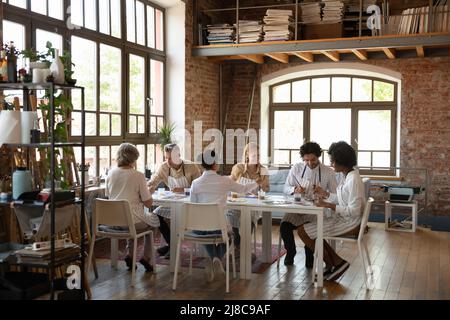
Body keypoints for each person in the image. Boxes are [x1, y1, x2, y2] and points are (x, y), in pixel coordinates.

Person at [298, 141, 365, 281]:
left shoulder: (353, 180)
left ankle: (336, 263)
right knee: (308, 231)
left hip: (350, 223)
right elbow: (342, 199)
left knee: (304, 232)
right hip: (344, 219)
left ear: (342, 161)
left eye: (333, 161)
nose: (331, 164)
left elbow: (354, 211)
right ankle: (334, 264)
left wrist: (329, 206)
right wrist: (326, 194)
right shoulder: (347, 175)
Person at [190, 149, 258, 281]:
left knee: (205, 231)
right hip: (219, 226)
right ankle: (217, 258)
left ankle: (212, 259)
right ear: (215, 164)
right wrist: (257, 182)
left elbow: (194, 206)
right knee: (230, 237)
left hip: (199, 228)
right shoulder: (224, 181)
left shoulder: (195, 183)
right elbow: (243, 189)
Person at [281, 142, 337, 266]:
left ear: (319, 157)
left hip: (316, 209)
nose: (310, 163)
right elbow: (286, 187)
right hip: (298, 206)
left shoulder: (328, 172)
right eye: (306, 160)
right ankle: (290, 252)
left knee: (309, 230)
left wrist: (324, 193)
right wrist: (294, 190)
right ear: (302, 158)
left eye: (313, 159)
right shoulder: (296, 168)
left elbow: (335, 196)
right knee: (284, 226)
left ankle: (309, 256)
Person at [147, 143, 202, 258]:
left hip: (189, 204)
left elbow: (200, 188)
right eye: (166, 158)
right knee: (155, 215)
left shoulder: (191, 167)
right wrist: (149, 187)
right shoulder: (164, 167)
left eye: (170, 158)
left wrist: (184, 189)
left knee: (174, 218)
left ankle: (171, 247)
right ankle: (172, 245)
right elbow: (153, 182)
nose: (168, 161)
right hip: (172, 203)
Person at [105, 143, 154, 272]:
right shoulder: (138, 175)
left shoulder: (110, 174)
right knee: (152, 222)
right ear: (134, 159)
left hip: (113, 221)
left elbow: (109, 196)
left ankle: (130, 255)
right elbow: (148, 203)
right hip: (132, 221)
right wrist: (148, 193)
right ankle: (147, 257)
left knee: (131, 221)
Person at [229, 142, 270, 247]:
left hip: (254, 203)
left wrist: (262, 186)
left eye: (259, 155)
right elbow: (229, 185)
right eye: (254, 155)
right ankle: (237, 239)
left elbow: (267, 189)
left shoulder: (263, 170)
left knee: (250, 216)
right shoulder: (238, 168)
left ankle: (245, 243)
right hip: (237, 201)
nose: (257, 158)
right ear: (247, 155)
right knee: (231, 214)